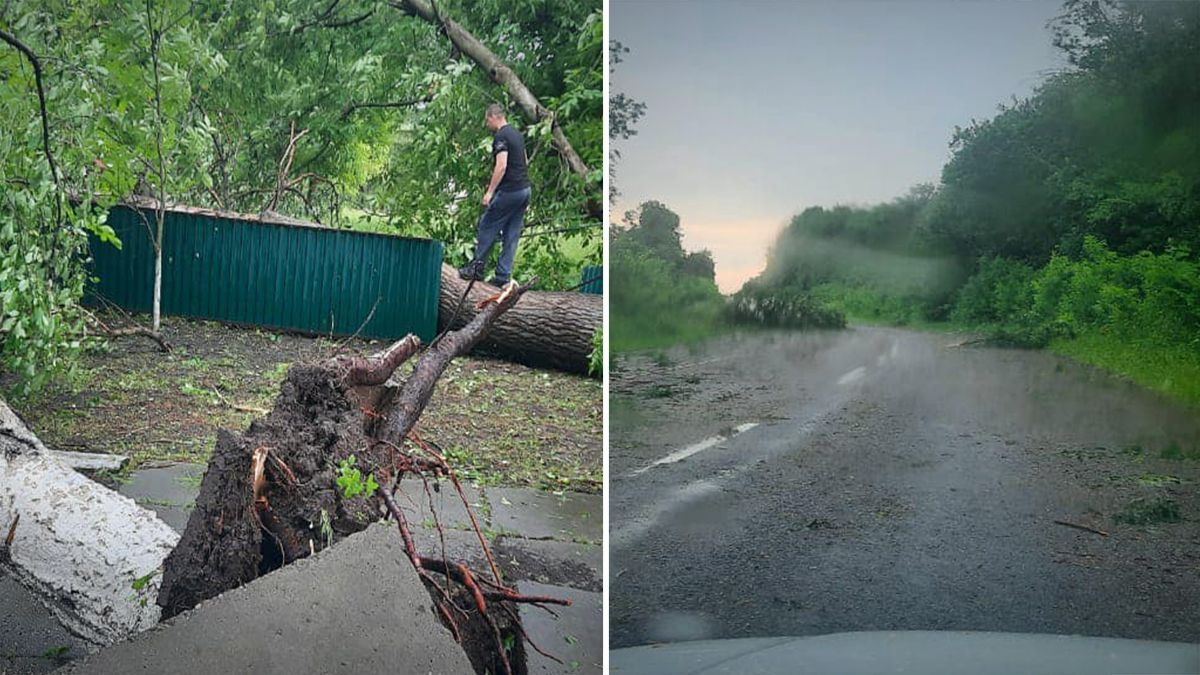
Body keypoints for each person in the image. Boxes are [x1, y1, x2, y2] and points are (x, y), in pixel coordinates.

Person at [457, 103, 532, 286]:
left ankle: (476, 269)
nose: (486, 124)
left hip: (510, 191)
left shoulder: (501, 136)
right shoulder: (517, 134)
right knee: (511, 233)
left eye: (487, 120)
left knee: (486, 225)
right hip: (524, 190)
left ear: (493, 116)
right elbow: (525, 160)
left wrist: (490, 192)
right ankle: (503, 276)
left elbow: (502, 165)